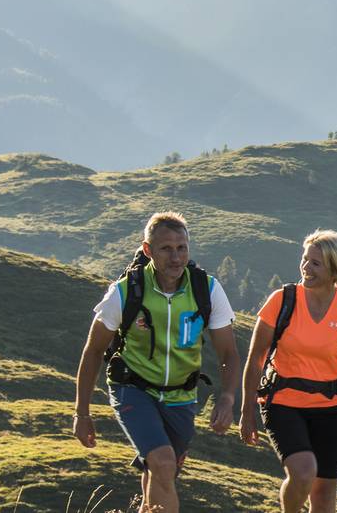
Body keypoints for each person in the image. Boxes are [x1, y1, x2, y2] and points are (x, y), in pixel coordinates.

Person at [73, 212, 241, 513]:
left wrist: (227, 398)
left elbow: (228, 353)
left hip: (182, 396)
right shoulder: (125, 292)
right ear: (148, 250)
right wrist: (81, 413)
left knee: (161, 471)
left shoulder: (207, 290)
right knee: (163, 463)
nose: (176, 257)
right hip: (132, 388)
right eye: (166, 248)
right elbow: (93, 351)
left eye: (182, 248)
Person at [241, 230, 337, 513]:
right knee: (304, 472)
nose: (306, 267)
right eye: (305, 259)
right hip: (282, 402)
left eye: (316, 263)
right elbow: (256, 358)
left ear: (335, 270)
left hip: (330, 408)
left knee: (325, 490)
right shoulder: (282, 300)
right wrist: (246, 411)